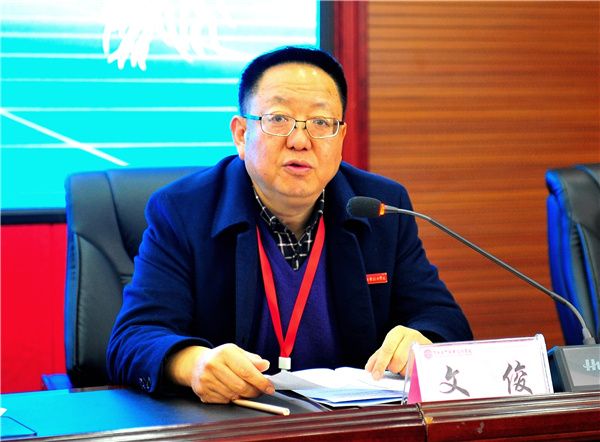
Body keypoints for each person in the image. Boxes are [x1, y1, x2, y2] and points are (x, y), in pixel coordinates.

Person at [107, 46, 473, 404]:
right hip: (236, 423)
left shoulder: (380, 208)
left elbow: (446, 320)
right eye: (278, 119)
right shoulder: (183, 210)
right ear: (241, 134)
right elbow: (132, 339)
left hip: (349, 423)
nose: (300, 141)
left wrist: (423, 341)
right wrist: (192, 364)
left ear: (340, 139)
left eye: (321, 123)